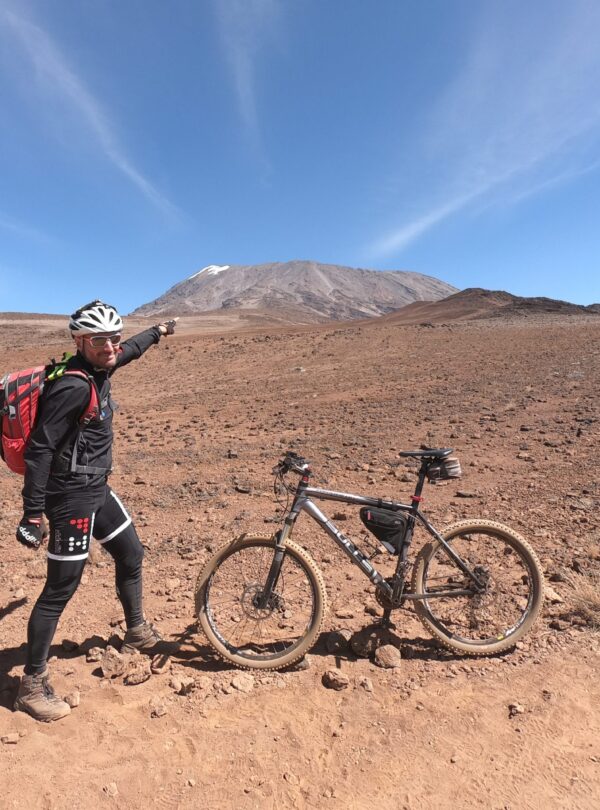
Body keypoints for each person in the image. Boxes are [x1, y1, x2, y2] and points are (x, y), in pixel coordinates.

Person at [14, 300, 177, 722]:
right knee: (60, 589)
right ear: (79, 341)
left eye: (113, 337)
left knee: (131, 553)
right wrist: (33, 514)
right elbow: (39, 450)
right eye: (99, 339)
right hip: (70, 497)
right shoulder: (73, 387)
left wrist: (157, 332)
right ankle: (31, 685)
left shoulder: (100, 368)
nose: (110, 346)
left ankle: (136, 631)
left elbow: (130, 351)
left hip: (95, 488)